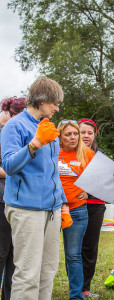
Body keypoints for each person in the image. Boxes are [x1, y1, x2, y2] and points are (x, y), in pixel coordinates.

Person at [1, 77, 67, 300]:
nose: (57, 108)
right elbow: (9, 166)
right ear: (40, 100)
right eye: (54, 103)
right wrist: (36, 142)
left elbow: (52, 170)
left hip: (52, 209)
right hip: (26, 209)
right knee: (27, 274)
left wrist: (63, 203)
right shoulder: (14, 125)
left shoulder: (47, 126)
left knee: (48, 272)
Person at [57, 120, 95, 300]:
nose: (73, 138)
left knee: (73, 255)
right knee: (43, 253)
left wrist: (89, 191)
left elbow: (103, 177)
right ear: (60, 137)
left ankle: (75, 297)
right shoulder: (52, 152)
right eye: (68, 134)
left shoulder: (87, 153)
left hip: (77, 211)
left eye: (75, 134)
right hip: (52, 210)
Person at [0, 97, 26, 300]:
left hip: (17, 199)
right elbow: (10, 165)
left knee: (14, 256)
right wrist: (13, 168)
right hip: (2, 199)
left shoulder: (21, 132)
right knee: (1, 252)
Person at [78, 119, 106, 298]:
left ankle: (85, 288)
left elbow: (105, 184)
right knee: (74, 249)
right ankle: (75, 286)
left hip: (95, 206)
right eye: (83, 132)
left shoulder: (100, 156)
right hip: (73, 206)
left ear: (94, 134)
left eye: (90, 133)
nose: (86, 136)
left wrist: (90, 194)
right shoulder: (68, 152)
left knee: (89, 248)